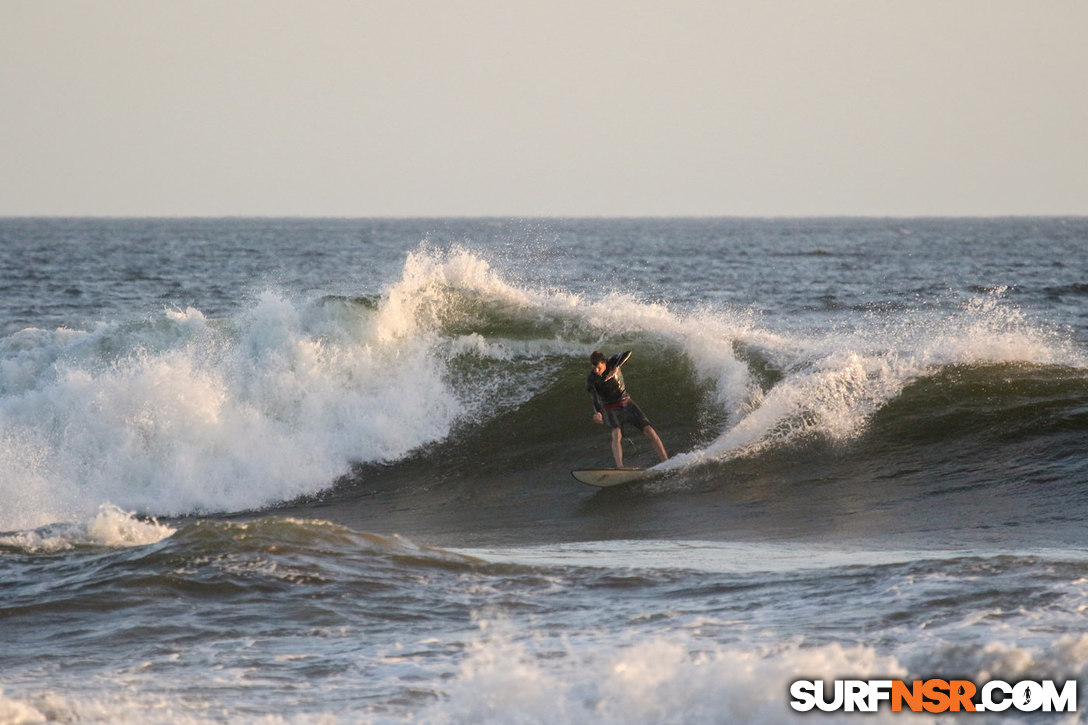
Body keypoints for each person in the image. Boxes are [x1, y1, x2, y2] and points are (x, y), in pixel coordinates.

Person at [586, 349, 668, 468]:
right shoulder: (591, 379)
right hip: (609, 407)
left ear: (604, 362)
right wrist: (597, 412)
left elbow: (627, 353)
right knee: (616, 434)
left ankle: (665, 461)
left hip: (626, 402)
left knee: (649, 430)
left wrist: (615, 368)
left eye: (599, 367)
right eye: (594, 368)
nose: (596, 371)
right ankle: (620, 467)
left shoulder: (612, 361)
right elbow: (594, 398)